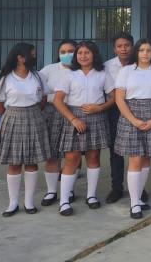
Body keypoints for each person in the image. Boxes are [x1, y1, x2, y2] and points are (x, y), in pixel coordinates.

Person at [52, 41, 116, 216]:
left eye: (87, 53)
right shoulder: (69, 75)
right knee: (71, 158)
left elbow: (113, 97)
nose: (83, 56)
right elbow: (58, 100)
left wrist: (100, 107)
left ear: (94, 54)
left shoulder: (102, 73)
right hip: (73, 116)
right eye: (80, 53)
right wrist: (73, 119)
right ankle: (64, 200)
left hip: (97, 116)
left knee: (93, 156)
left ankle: (91, 196)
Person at [0, 42, 51, 216]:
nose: (35, 56)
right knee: (14, 163)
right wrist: (10, 119)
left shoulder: (38, 77)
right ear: (20, 57)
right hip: (13, 118)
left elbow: (44, 97)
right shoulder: (5, 79)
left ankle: (29, 202)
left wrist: (34, 112)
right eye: (32, 54)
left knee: (31, 162)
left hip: (34, 117)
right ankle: (13, 203)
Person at [114, 38, 151, 219]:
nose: (145, 53)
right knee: (135, 159)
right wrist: (133, 120)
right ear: (136, 52)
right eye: (142, 50)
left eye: (149, 50)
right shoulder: (126, 71)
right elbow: (119, 99)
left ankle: (139, 198)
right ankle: (134, 203)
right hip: (131, 114)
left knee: (146, 157)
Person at [38, 39, 76, 206]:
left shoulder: (82, 70)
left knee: (72, 154)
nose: (67, 54)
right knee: (53, 154)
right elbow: (37, 88)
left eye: (70, 51)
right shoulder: (49, 70)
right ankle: (51, 191)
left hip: (73, 111)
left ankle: (69, 190)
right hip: (52, 112)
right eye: (63, 51)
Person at [104, 33, 140, 204]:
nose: (124, 48)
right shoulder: (106, 66)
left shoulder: (141, 64)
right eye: (119, 46)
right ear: (114, 48)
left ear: (132, 47)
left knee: (138, 150)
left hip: (137, 109)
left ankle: (139, 188)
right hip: (114, 110)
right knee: (116, 150)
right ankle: (117, 187)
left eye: (127, 45)